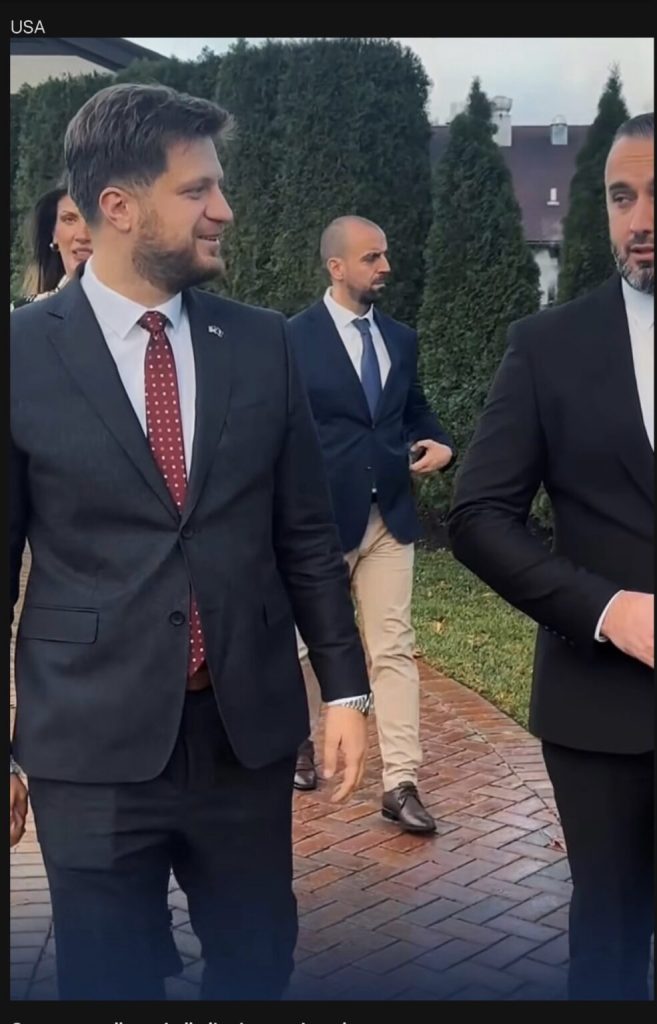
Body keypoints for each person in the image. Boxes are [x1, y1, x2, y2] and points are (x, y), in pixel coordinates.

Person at [9, 82, 371, 1002]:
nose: (224, 209)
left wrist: (345, 689)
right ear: (119, 206)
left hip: (241, 734)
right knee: (107, 980)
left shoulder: (260, 344)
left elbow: (304, 533)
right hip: (87, 744)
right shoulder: (21, 354)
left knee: (258, 962)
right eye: (197, 189)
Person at [447, 113, 654, 1001]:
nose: (639, 218)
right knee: (606, 947)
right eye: (621, 197)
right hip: (600, 712)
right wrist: (607, 610)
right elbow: (478, 516)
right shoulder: (549, 346)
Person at [288, 216, 455, 833]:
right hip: (319, 522)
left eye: (384, 255)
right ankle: (299, 743)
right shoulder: (292, 338)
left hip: (390, 517)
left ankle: (400, 782)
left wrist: (439, 442)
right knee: (300, 644)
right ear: (336, 267)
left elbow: (414, 410)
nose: (385, 267)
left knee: (394, 648)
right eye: (371, 258)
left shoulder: (400, 339)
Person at [11, 182, 92, 308]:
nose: (83, 236)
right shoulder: (19, 316)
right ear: (53, 233)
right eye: (69, 219)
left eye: (93, 220)